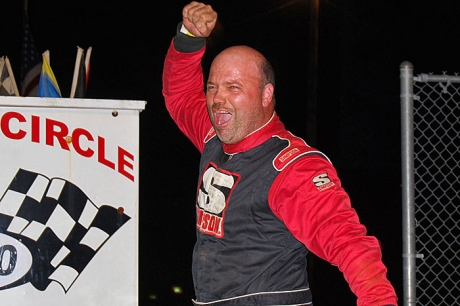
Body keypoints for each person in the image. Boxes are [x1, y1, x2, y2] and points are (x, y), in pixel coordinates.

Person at [162, 2, 398, 305]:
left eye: (233, 87)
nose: (218, 99)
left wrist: (379, 300)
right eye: (212, 87)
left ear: (266, 95)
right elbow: (180, 94)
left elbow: (347, 242)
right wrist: (189, 39)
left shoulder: (293, 169)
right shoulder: (213, 136)